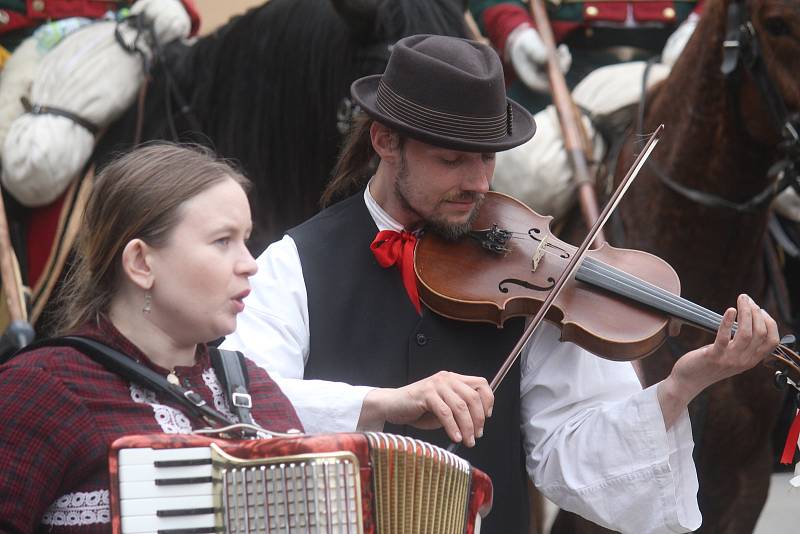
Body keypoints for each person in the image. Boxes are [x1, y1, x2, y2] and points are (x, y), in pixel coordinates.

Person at [222, 34, 779, 533]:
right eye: (452, 159)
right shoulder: (294, 262)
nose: (479, 182)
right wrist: (387, 402)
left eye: (488, 157)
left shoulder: (529, 272)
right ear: (386, 142)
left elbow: (574, 451)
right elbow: (240, 405)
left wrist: (681, 386)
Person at [0, 143, 303, 532]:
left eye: (245, 239)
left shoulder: (259, 393)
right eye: (222, 241)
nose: (249, 264)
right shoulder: (41, 390)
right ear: (141, 263)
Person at [469, 0, 704, 113]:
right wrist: (517, 35)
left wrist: (700, 25)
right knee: (526, 171)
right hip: (559, 72)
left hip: (677, 70)